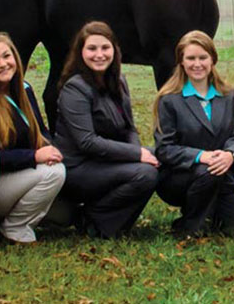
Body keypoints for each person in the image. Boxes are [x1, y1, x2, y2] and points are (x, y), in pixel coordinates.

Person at [54, 21, 159, 238]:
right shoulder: (75, 88)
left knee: (162, 156)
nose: (99, 54)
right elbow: (87, 142)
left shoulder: (119, 81)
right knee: (145, 174)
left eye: (105, 48)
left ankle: (112, 219)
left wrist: (137, 152)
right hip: (79, 168)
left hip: (107, 159)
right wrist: (137, 155)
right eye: (92, 48)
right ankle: (93, 220)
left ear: (114, 50)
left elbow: (129, 128)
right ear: (80, 52)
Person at [0, 33, 65, 244]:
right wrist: (35, 156)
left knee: (66, 212)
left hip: (22, 174)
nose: (3, 64)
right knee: (54, 174)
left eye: (6, 56)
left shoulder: (24, 89)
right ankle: (14, 225)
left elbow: (40, 130)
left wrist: (50, 148)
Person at [154, 30, 234, 235]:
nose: (197, 64)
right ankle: (190, 225)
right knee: (208, 170)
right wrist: (201, 156)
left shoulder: (228, 95)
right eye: (190, 58)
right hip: (179, 177)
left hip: (219, 177)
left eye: (202, 57)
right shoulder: (169, 99)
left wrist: (230, 154)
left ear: (212, 59)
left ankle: (207, 213)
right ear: (181, 61)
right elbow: (165, 148)